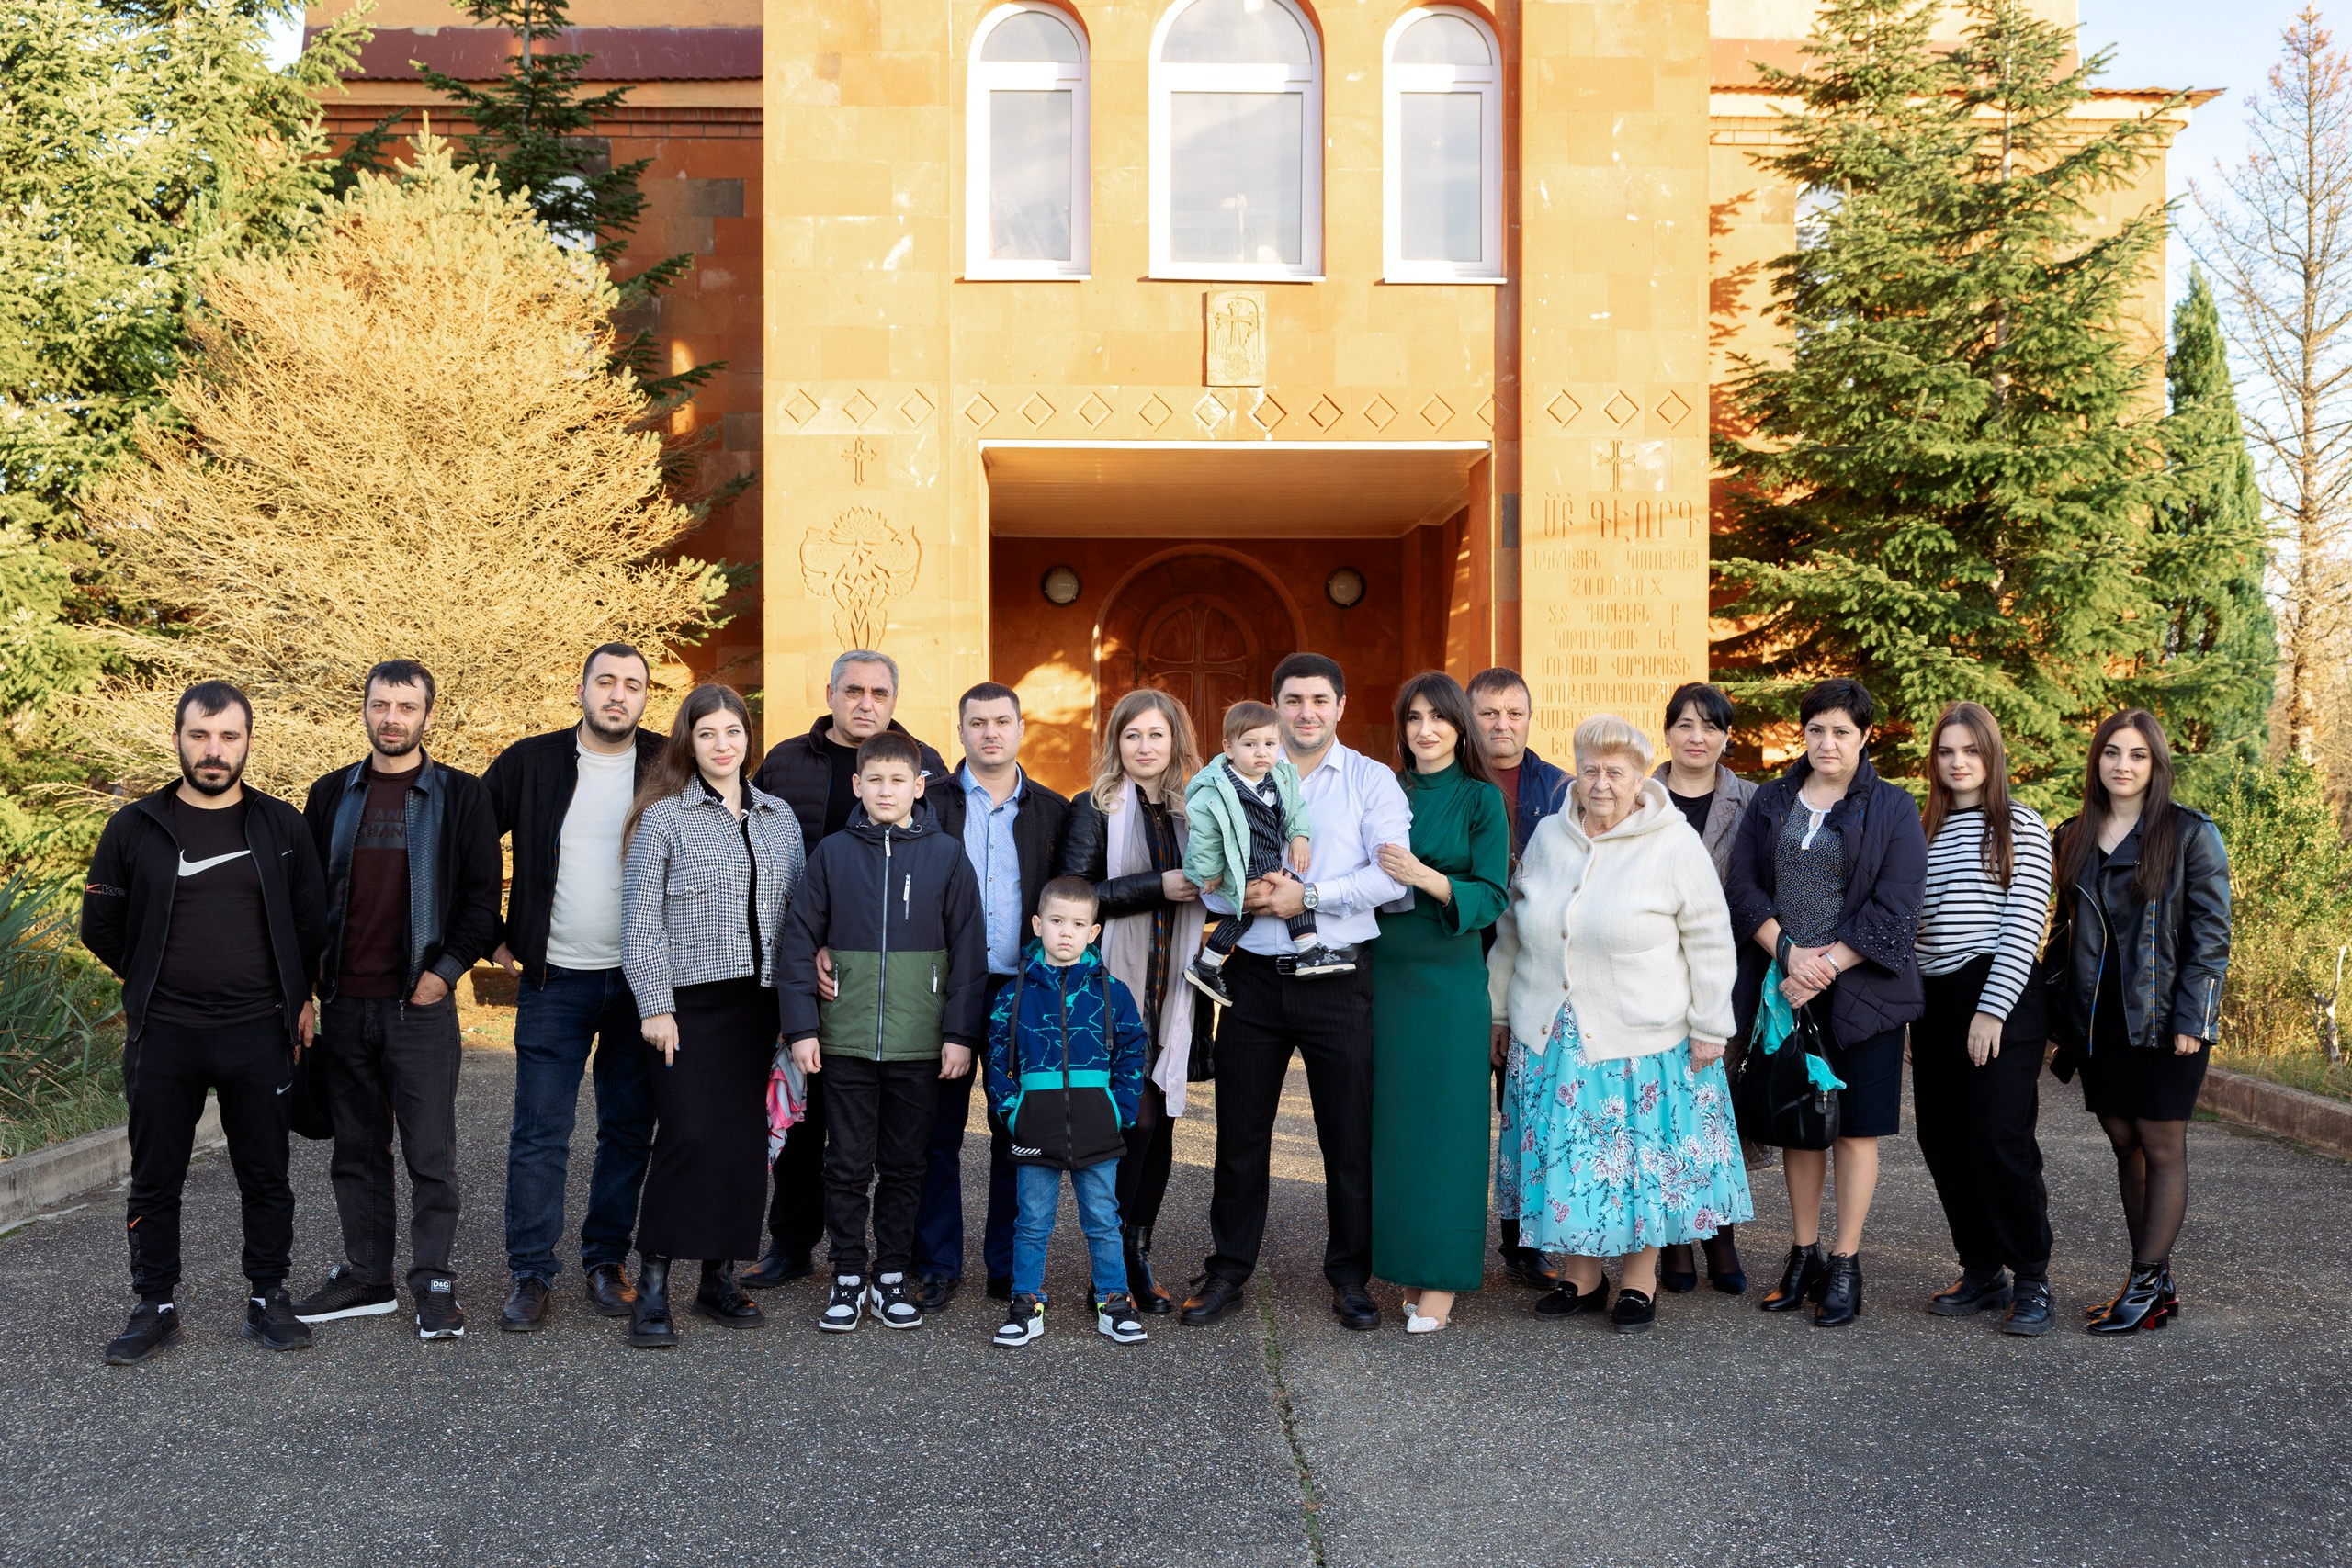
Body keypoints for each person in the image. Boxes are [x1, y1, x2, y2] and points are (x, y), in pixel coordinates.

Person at [82, 682, 329, 1365]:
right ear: (178, 739)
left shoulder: (281, 827)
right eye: (200, 735)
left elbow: (312, 920)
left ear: (248, 741)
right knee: (156, 1176)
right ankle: (154, 1303)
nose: (214, 750)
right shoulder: (135, 825)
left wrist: (301, 992)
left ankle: (267, 1297)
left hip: (258, 1031)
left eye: (228, 736)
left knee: (267, 1174)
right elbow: (98, 923)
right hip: (165, 1033)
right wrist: (148, 982)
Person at [1490, 715, 1748, 1335]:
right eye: (1590, 769)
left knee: (1640, 1160)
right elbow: (1511, 931)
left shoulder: (1672, 841)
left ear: (1640, 778)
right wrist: (1499, 1009)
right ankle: (1581, 1273)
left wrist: (1713, 1021)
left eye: (1617, 771)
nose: (1601, 782)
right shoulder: (1551, 835)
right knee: (1572, 1160)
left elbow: (1711, 935)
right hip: (1553, 1031)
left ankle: (1640, 1275)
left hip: (1643, 1035)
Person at [1179, 654, 1412, 1334]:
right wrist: (1238, 894)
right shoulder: (1227, 777)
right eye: (1292, 700)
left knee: (1346, 1135)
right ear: (1273, 708)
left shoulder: (1371, 781)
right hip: (1250, 974)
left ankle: (1350, 1274)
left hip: (1337, 973)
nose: (1305, 711)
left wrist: (1306, 896)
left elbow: (1390, 876)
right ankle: (1228, 1267)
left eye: (1318, 699)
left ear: (1339, 705)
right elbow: (1207, 864)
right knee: (1239, 1133)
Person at [294, 660, 501, 1340]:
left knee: (430, 1153)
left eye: (406, 706)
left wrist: (442, 971)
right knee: (355, 1149)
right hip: (345, 1004)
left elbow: (479, 897)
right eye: (381, 703)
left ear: (428, 715)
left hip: (419, 1005)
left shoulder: (462, 797)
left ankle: (434, 1281)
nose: (392, 717)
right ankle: (368, 1275)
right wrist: (306, 991)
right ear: (363, 709)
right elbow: (306, 902)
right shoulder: (330, 796)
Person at [741, 649, 953, 1291]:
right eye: (853, 689)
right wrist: (806, 953)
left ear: (894, 698)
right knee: (807, 1123)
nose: (866, 702)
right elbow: (762, 859)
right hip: (805, 958)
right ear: (830, 692)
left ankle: (897, 1254)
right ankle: (792, 1243)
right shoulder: (783, 762)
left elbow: (927, 862)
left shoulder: (925, 765)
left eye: (879, 691)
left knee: (895, 1136)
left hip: (886, 970)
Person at [1725, 677, 1926, 1328]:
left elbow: (1896, 908)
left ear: (1866, 736)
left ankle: (1845, 1262)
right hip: (1783, 990)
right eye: (1816, 729)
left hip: (1860, 995)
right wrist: (1787, 954)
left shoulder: (1892, 808)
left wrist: (1823, 966)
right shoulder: (1774, 800)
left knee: (1856, 1129)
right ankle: (1803, 1252)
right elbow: (1745, 886)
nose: (1827, 742)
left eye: (1842, 730)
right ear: (1803, 732)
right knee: (1800, 1127)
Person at [481, 643, 665, 1333]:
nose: (618, 695)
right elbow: (468, 842)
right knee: (540, 1130)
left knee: (627, 1128)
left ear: (646, 696)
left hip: (641, 980)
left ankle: (604, 1259)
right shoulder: (530, 761)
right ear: (582, 689)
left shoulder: (666, 764)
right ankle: (531, 1273)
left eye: (632, 685)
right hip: (554, 977)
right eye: (606, 682)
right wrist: (490, 936)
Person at [778, 732, 987, 1334]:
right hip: (843, 1041)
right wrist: (801, 1028)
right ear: (857, 785)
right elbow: (798, 943)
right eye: (876, 780)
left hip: (921, 1045)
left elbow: (969, 953)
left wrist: (958, 1034)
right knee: (844, 1162)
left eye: (899, 780)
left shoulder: (947, 856)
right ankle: (849, 1271)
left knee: (904, 1164)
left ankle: (892, 1271)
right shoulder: (833, 855)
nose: (887, 790)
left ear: (920, 786)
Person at [616, 683, 806, 1347]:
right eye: (708, 734)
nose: (723, 744)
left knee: (743, 1144)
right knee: (688, 1135)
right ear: (687, 742)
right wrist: (656, 1005)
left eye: (733, 731)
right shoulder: (664, 817)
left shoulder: (780, 815)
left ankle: (718, 1280)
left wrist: (805, 992)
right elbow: (640, 922)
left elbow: (800, 917)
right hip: (688, 1006)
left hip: (760, 1004)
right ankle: (656, 1284)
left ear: (748, 737)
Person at [2047, 709, 2230, 1335]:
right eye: (2111, 753)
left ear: (2156, 765)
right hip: (2099, 1021)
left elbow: (2212, 935)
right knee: (2125, 1140)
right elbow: (2063, 935)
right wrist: (2052, 1017)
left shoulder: (2188, 833)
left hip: (2164, 1018)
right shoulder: (2070, 835)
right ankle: (2157, 1283)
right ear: (2096, 761)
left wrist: (2194, 1017)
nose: (2122, 764)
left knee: (2161, 1144)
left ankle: (2145, 1280)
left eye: (2136, 755)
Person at [911, 682, 1070, 1311]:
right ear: (960, 729)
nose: (990, 733)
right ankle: (936, 1263)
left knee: (1017, 1132)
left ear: (1021, 727)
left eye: (1002, 721)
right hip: (942, 986)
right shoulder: (929, 804)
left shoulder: (1054, 810)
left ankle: (1008, 1265)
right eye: (976, 722)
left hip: (1022, 987)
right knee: (935, 1131)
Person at [1054, 688, 1209, 1314]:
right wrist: (1157, 886)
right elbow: (1073, 895)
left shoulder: (1197, 810)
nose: (1144, 747)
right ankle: (1109, 1264)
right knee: (1134, 1122)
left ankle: (1136, 1253)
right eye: (1132, 735)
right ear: (1115, 743)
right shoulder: (1093, 808)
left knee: (1163, 1124)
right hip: (1113, 992)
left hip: (1179, 987)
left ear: (1176, 740)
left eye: (1156, 735)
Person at [1911, 701, 2058, 1336]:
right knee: (1942, 1138)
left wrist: (1991, 1010)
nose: (1958, 762)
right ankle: (1981, 1269)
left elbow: (2025, 924)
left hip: (2000, 992)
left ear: (1991, 756)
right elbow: (1915, 926)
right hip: (1936, 1000)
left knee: (2000, 1138)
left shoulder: (2020, 824)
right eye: (1946, 751)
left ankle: (2031, 1277)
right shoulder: (1924, 831)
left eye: (1970, 750)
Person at [1367, 672, 1508, 1332]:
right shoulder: (1383, 789)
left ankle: (1443, 1279)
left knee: (1448, 1129)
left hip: (1449, 983)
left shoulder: (1482, 799)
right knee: (1395, 1129)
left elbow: (1492, 895)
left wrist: (1425, 877)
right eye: (1413, 718)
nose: (1425, 729)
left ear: (1460, 726)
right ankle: (1404, 1263)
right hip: (1382, 978)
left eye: (1438, 718)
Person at [984, 877, 1151, 1348]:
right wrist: (1012, 1111)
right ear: (1038, 925)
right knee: (1032, 1220)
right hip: (1034, 1123)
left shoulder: (1112, 992)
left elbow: (1132, 1052)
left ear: (1093, 933)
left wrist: (1120, 1108)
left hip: (1098, 1124)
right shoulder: (1012, 995)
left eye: (1077, 924)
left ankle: (1113, 1301)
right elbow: (997, 1057)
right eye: (1056, 922)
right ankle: (1025, 1302)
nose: (1065, 933)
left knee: (1102, 1216)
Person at [1651, 681, 1759, 1294]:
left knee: (1715, 1116)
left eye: (1711, 726)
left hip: (1726, 975)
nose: (1698, 737)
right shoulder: (1640, 797)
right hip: (1653, 981)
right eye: (1686, 724)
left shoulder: (1754, 802)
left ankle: (1721, 1240)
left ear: (1726, 736)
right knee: (1664, 1111)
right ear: (1667, 731)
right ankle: (1672, 1247)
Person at [1466, 667, 1571, 1292]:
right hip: (1455, 961)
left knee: (1526, 1112)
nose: (1502, 725)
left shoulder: (1559, 788)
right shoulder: (1450, 782)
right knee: (1458, 1113)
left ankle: (1525, 1243)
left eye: (1514, 713)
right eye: (1488, 713)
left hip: (1531, 973)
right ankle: (1450, 1236)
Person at [1182, 700, 1341, 1001]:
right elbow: (1204, 836)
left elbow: (1296, 810)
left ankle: (1207, 964)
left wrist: (1299, 837)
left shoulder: (1280, 778)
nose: (1261, 752)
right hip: (1240, 861)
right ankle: (1309, 950)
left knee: (1247, 913)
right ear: (1229, 748)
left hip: (1267, 857)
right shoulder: (1216, 789)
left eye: (1269, 743)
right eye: (1250, 744)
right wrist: (1210, 873)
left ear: (1280, 744)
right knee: (1290, 890)